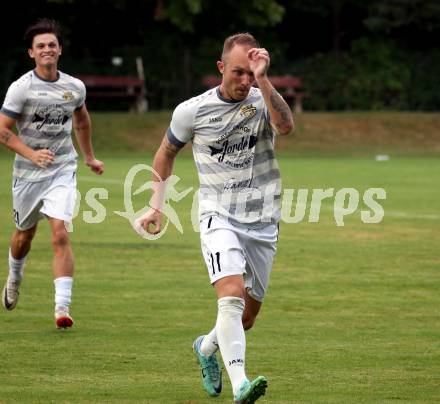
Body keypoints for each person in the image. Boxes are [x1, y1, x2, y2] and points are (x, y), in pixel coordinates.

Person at [136, 33, 293, 403]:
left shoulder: (261, 99)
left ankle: (206, 348)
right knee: (231, 296)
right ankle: (241, 383)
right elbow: (165, 152)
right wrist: (156, 205)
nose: (245, 81)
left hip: (263, 219)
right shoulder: (192, 111)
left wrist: (265, 79)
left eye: (251, 74)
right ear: (221, 67)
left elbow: (285, 126)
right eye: (238, 72)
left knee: (247, 317)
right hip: (217, 215)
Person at [0, 19, 104, 329]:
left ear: (59, 49)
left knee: (60, 230)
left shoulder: (74, 87)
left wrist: (89, 157)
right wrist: (32, 154)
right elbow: (3, 131)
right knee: (24, 235)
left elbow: (82, 122)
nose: (47, 49)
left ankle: (62, 308)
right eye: (41, 45)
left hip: (62, 169)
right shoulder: (21, 88)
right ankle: (14, 278)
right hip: (28, 175)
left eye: (52, 44)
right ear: (31, 53)